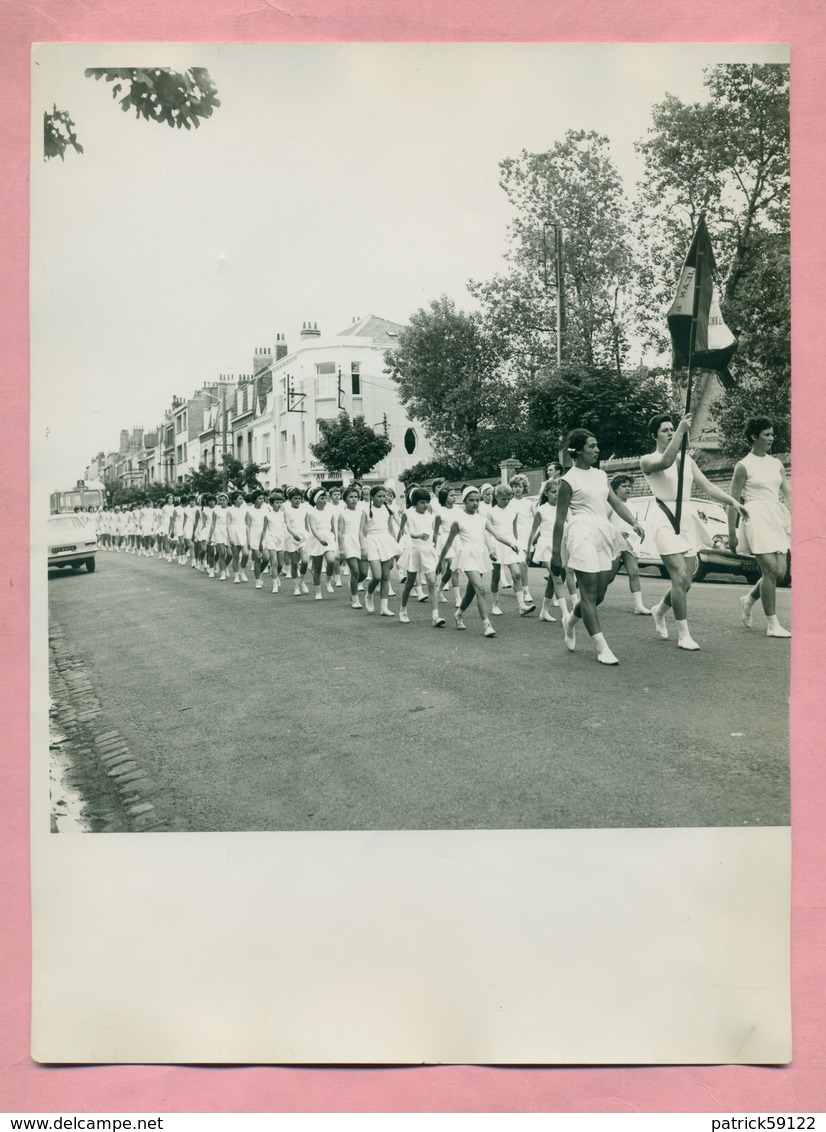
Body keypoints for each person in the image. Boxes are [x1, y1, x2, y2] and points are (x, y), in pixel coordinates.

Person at [641, 413, 748, 650]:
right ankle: (683, 634)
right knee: (678, 576)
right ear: (654, 435)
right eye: (665, 430)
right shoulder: (648, 459)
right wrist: (680, 432)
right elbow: (665, 463)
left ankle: (659, 610)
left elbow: (708, 486)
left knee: (686, 582)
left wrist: (733, 502)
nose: (670, 432)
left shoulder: (688, 461)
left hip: (687, 518)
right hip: (665, 518)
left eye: (672, 429)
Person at [551, 429, 646, 665]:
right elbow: (560, 519)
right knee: (588, 593)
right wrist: (555, 554)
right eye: (592, 446)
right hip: (581, 533)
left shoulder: (600, 475)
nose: (597, 450)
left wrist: (633, 522)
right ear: (579, 450)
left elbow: (613, 501)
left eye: (596, 445)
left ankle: (571, 620)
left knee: (599, 593)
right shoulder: (567, 480)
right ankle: (602, 648)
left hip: (603, 532)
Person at [728, 417, 791, 638]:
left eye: (772, 434)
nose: (771, 438)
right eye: (767, 434)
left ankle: (749, 599)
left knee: (780, 572)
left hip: (776, 516)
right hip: (755, 516)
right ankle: (772, 624)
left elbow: (788, 493)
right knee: (770, 571)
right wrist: (732, 534)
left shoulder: (777, 464)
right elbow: (732, 502)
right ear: (754, 436)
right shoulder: (743, 466)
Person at [436, 486, 520, 637]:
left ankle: (459, 614)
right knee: (480, 589)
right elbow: (448, 543)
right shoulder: (458, 520)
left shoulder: (482, 519)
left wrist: (511, 544)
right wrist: (439, 561)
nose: (475, 503)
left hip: (480, 555)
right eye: (471, 500)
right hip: (467, 555)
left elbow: (496, 534)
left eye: (477, 500)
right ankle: (487, 625)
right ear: (464, 501)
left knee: (471, 591)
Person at [396, 488, 446, 627]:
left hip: (428, 549)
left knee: (431, 581)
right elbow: (407, 531)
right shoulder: (408, 513)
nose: (425, 505)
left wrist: (437, 551)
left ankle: (435, 616)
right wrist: (416, 536)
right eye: (422, 502)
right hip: (414, 549)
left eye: (427, 502)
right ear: (414, 503)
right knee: (410, 582)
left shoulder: (431, 514)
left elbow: (434, 533)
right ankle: (403, 610)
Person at [487, 483, 534, 616]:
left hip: (511, 544)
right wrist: (490, 548)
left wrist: (517, 544)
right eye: (503, 499)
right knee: (496, 576)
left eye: (509, 499)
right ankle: (495, 604)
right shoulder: (491, 513)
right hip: (496, 544)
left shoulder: (513, 511)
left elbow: (514, 532)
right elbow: (489, 532)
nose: (506, 501)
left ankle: (521, 605)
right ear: (496, 497)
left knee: (516, 574)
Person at [526, 478, 569, 622]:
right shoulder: (541, 510)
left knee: (553, 580)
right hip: (545, 546)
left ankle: (544, 611)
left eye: (559, 492)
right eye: (553, 492)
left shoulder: (564, 508)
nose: (557, 495)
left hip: (560, 546)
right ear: (546, 493)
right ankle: (565, 615)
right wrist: (528, 550)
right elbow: (532, 532)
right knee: (557, 579)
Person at [608, 474, 651, 616]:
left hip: (630, 544)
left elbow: (634, 523)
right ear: (615, 489)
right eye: (624, 486)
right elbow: (604, 523)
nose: (628, 489)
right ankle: (590, 596)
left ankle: (639, 606)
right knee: (609, 576)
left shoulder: (633, 506)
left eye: (629, 486)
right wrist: (617, 533)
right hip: (613, 543)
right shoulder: (610, 505)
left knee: (634, 572)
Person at [360, 485, 401, 616]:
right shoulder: (365, 511)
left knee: (385, 576)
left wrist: (395, 546)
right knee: (376, 576)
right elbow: (361, 531)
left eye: (384, 496)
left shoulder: (388, 510)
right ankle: (369, 594)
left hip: (386, 541)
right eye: (379, 496)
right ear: (372, 497)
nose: (382, 499)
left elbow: (390, 529)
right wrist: (362, 548)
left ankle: (384, 607)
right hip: (372, 541)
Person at [338, 485, 368, 608]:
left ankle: (352, 584)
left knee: (364, 573)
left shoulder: (362, 513)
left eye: (356, 497)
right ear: (345, 499)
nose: (354, 499)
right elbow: (339, 532)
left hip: (360, 541)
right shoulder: (342, 514)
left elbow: (363, 529)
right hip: (348, 541)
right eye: (351, 497)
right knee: (355, 571)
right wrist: (341, 548)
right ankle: (355, 599)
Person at [305, 487, 337, 599]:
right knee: (317, 568)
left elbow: (333, 528)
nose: (324, 500)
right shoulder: (312, 513)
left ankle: (328, 581)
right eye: (322, 498)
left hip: (328, 538)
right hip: (317, 540)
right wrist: (320, 539)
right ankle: (318, 592)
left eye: (325, 498)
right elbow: (313, 528)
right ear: (315, 500)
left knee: (331, 561)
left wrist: (334, 540)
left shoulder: (330, 512)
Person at [260, 489, 288, 593]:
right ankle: (274, 585)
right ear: (271, 503)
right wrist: (261, 542)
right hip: (271, 538)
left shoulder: (284, 514)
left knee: (280, 564)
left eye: (280, 502)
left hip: (281, 538)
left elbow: (288, 526)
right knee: (274, 562)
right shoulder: (268, 515)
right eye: (277, 502)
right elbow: (264, 530)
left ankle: (276, 576)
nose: (279, 504)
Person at [284, 487, 310, 595]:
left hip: (303, 537)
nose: (298, 500)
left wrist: (310, 536)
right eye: (295, 498)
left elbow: (306, 525)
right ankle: (296, 587)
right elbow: (288, 525)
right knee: (294, 563)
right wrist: (294, 534)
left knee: (305, 561)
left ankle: (302, 581)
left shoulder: (304, 510)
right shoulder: (287, 511)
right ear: (290, 499)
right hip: (291, 537)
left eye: (299, 498)